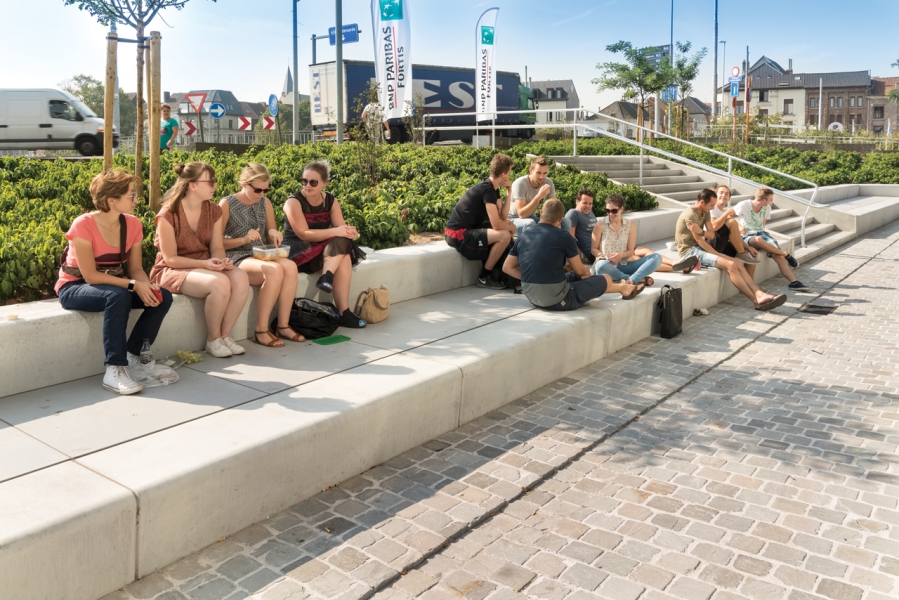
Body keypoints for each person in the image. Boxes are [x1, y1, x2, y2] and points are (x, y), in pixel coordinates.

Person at [56, 170, 173, 395]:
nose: (136, 200)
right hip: (74, 287)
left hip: (113, 285)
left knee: (162, 296)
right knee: (117, 296)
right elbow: (90, 276)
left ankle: (133, 356)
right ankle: (115, 369)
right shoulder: (83, 224)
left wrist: (146, 286)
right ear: (111, 199)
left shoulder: (133, 224)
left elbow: (136, 269)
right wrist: (133, 285)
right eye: (131, 196)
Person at [150, 162, 250, 357]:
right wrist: (205, 264)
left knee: (240, 277)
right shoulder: (168, 214)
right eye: (210, 181)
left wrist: (221, 261)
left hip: (204, 263)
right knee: (219, 282)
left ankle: (225, 336)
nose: (215, 185)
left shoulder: (213, 210)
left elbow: (217, 247)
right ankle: (213, 339)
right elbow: (170, 259)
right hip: (172, 269)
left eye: (214, 181)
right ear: (192, 185)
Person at [503, 199, 643, 311]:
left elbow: (507, 267)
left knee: (573, 277)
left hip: (532, 298)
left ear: (541, 212)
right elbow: (580, 271)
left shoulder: (524, 236)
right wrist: (586, 272)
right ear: (560, 218)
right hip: (558, 300)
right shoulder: (564, 236)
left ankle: (623, 288)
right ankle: (623, 288)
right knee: (604, 278)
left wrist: (531, 278)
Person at [221, 163, 303, 347]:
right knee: (273, 270)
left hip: (261, 253)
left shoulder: (265, 203)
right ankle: (260, 330)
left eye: (266, 190)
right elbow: (216, 242)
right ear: (244, 184)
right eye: (258, 190)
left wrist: (274, 233)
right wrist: (243, 239)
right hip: (237, 256)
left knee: (290, 266)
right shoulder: (227, 203)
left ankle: (283, 326)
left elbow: (270, 231)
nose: (262, 194)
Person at [283, 160, 366, 328]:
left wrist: (351, 233)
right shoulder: (294, 202)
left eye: (313, 182)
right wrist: (338, 231)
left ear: (324, 183)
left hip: (321, 249)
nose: (307, 185)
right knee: (341, 248)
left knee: (344, 248)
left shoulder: (330, 201)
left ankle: (334, 291)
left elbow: (341, 230)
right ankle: (342, 309)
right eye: (304, 181)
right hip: (298, 250)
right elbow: (303, 234)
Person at [676, 188, 786, 311]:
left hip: (701, 247)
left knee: (738, 262)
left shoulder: (705, 211)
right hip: (690, 251)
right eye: (711, 205)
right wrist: (720, 255)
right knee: (731, 264)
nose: (713, 208)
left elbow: (711, 235)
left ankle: (759, 293)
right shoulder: (690, 215)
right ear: (702, 202)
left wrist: (701, 231)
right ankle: (756, 301)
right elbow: (700, 241)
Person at [444, 153, 516, 289]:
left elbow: (503, 217)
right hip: (458, 234)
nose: (509, 176)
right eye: (508, 173)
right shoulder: (487, 190)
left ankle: (500, 270)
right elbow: (496, 224)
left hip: (467, 230)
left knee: (508, 225)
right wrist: (510, 228)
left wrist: (509, 192)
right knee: (505, 235)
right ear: (503, 174)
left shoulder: (492, 188)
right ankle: (484, 276)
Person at [591, 194, 693, 286]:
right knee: (600, 266)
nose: (610, 214)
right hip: (607, 266)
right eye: (607, 211)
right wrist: (602, 256)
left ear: (621, 208)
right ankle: (633, 279)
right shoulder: (600, 225)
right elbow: (594, 249)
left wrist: (621, 255)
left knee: (656, 257)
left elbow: (631, 251)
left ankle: (629, 280)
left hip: (625, 265)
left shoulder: (630, 225)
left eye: (614, 211)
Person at [731, 187, 809, 292]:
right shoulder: (744, 204)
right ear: (764, 200)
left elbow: (763, 224)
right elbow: (728, 216)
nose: (772, 201)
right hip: (746, 236)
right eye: (771, 199)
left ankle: (794, 282)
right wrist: (739, 226)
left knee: (778, 255)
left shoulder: (767, 208)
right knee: (759, 240)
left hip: (762, 233)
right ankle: (786, 254)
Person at [509, 155, 572, 237]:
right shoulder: (520, 184)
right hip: (514, 219)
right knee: (530, 223)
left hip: (532, 217)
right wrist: (539, 196)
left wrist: (557, 222)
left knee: (566, 222)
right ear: (531, 170)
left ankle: (563, 244)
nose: (542, 177)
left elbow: (555, 208)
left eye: (545, 173)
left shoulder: (548, 182)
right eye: (538, 173)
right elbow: (522, 214)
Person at [709, 185, 761, 265]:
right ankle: (742, 253)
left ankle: (743, 254)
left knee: (751, 256)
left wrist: (748, 247)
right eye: (721, 193)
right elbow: (713, 227)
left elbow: (736, 235)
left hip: (722, 243)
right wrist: (727, 213)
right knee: (731, 221)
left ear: (729, 198)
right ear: (716, 195)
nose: (724, 195)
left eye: (726, 194)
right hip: (711, 243)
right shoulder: (712, 208)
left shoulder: (723, 212)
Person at [565, 189, 598, 264]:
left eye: (590, 203)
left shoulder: (591, 212)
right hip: (594, 253)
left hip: (603, 246)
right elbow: (570, 239)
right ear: (577, 201)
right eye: (585, 203)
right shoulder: (573, 213)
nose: (588, 206)